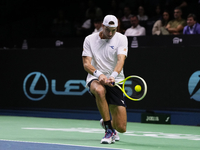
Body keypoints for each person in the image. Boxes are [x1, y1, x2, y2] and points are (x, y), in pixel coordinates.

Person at [82, 15, 128, 144]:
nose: (111, 33)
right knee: (100, 91)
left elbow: (121, 60)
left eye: (114, 30)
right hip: (95, 78)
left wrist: (112, 76)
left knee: (122, 127)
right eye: (108, 29)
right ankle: (109, 130)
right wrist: (99, 74)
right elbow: (86, 64)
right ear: (102, 26)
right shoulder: (89, 39)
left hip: (115, 81)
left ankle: (107, 122)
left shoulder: (122, 38)